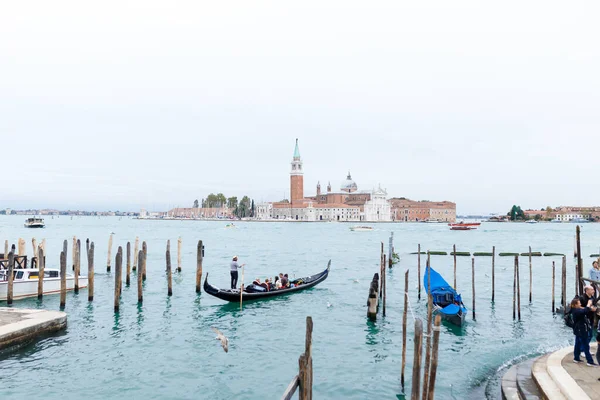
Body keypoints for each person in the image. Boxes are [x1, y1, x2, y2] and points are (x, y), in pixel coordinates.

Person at [571, 297, 596, 365]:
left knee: (578, 344)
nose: (580, 304)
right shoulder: (577, 311)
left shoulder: (575, 310)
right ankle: (590, 361)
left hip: (578, 330)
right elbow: (584, 311)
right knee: (586, 345)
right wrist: (588, 304)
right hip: (581, 330)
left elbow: (584, 310)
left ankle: (576, 358)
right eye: (579, 303)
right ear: (575, 305)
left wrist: (589, 308)